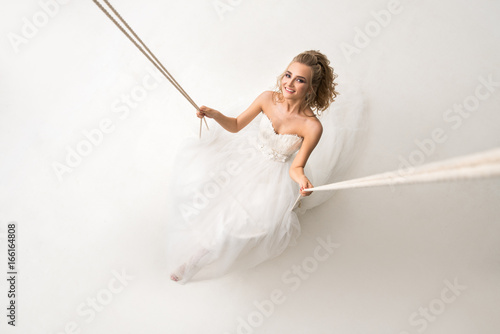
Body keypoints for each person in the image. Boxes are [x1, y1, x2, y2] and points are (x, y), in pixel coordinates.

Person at [166, 50, 340, 284]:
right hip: (246, 160)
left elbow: (297, 167)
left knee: (239, 223)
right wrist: (215, 114)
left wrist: (301, 180)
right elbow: (237, 125)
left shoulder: (312, 127)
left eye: (300, 80)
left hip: (274, 176)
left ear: (310, 89)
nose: (289, 83)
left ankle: (196, 261)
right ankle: (197, 255)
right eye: (288, 75)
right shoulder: (267, 98)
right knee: (215, 204)